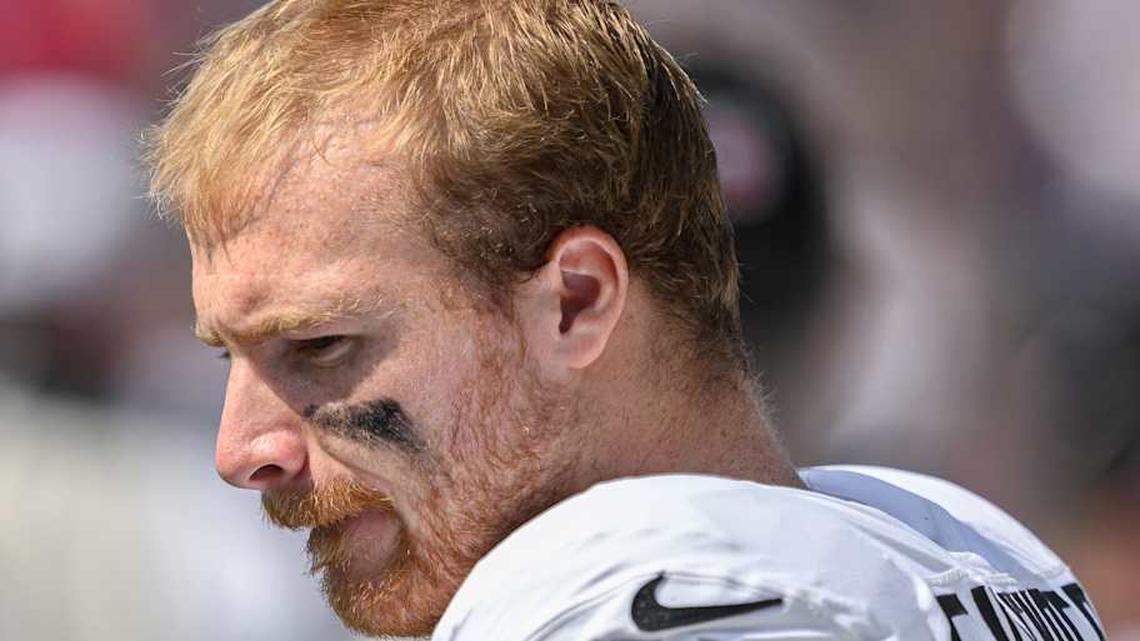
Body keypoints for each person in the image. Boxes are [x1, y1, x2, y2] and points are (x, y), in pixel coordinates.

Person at [142, 1, 1108, 639]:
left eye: (319, 346)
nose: (239, 450)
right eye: (230, 357)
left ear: (576, 301)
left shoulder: (630, 603)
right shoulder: (976, 546)